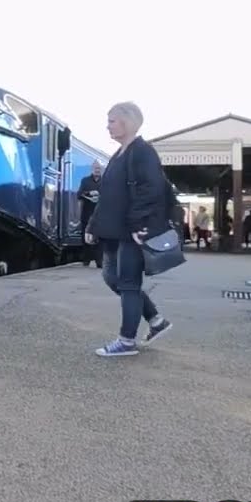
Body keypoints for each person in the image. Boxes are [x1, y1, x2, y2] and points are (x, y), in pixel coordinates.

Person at [85, 102, 173, 357]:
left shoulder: (142, 152)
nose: (107, 126)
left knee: (128, 284)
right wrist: (92, 225)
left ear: (128, 121)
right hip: (114, 231)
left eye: (112, 120)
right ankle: (156, 320)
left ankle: (126, 341)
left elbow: (152, 190)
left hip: (132, 231)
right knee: (113, 279)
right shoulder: (118, 155)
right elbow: (108, 196)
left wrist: (138, 224)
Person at [77, 161, 104, 267]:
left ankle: (99, 261)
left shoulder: (105, 181)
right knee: (86, 237)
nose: (97, 170)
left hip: (100, 214)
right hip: (87, 213)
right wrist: (88, 193)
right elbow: (79, 194)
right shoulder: (85, 181)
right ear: (92, 169)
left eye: (99, 168)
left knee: (100, 238)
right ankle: (86, 260)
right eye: (95, 168)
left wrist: (100, 195)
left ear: (101, 170)